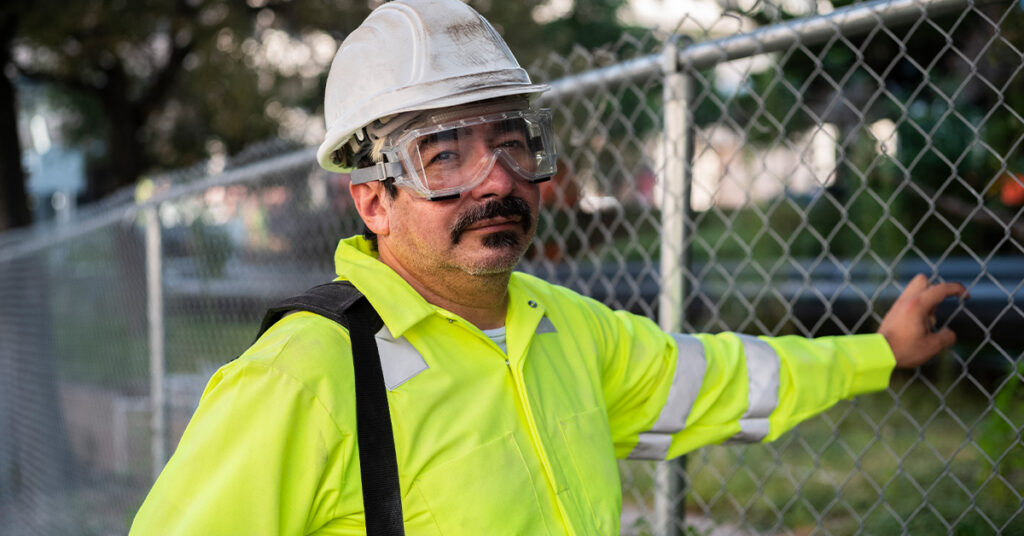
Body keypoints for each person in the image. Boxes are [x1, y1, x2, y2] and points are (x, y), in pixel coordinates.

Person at [129, 0, 967, 534]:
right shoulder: (302, 378)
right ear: (374, 199)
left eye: (511, 143)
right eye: (444, 156)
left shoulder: (561, 328)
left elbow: (724, 379)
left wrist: (878, 353)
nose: (495, 179)